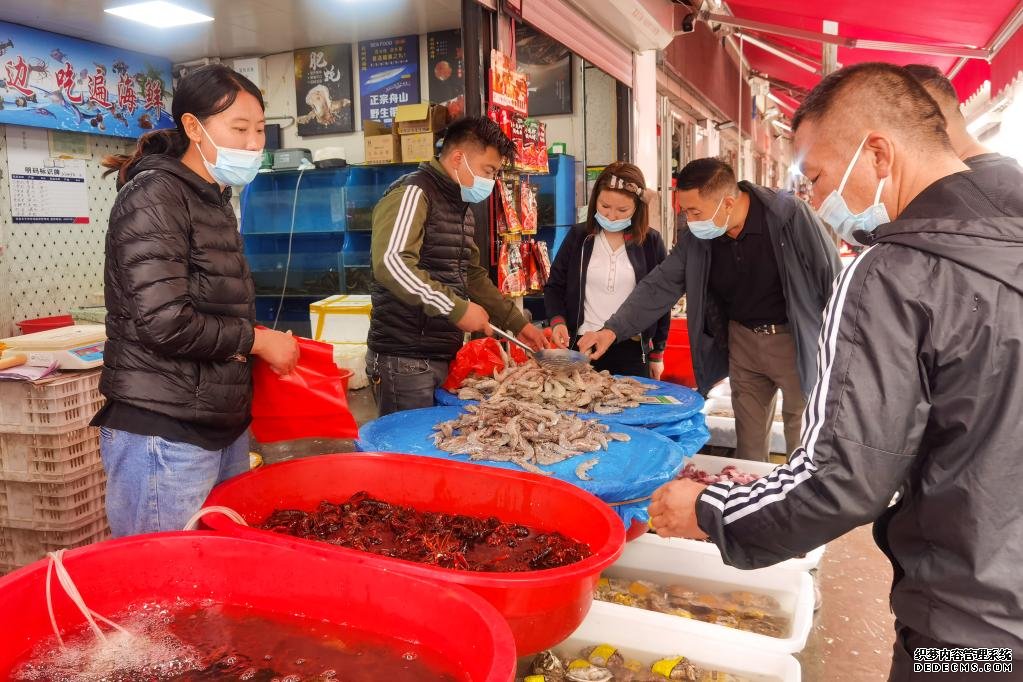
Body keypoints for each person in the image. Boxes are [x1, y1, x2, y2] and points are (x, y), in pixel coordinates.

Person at [647, 62, 1023, 681]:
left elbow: (842, 477)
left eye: (817, 176)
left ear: (878, 153)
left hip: (967, 632)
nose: (815, 200)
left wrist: (709, 508)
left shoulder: (892, 273)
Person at [95, 65, 300, 537]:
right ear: (193, 127)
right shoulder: (155, 197)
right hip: (164, 432)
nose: (254, 144)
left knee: (213, 577)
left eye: (260, 130)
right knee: (161, 584)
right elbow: (164, 321)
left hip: (216, 424)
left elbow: (213, 308)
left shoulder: (212, 198)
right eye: (240, 129)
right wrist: (257, 341)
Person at [578, 158, 840, 462]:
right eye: (684, 211)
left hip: (794, 339)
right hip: (742, 341)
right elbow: (661, 284)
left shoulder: (788, 216)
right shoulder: (699, 237)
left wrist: (840, 348)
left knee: (802, 431)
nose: (689, 220)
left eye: (695, 212)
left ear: (727, 203)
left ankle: (800, 504)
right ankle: (751, 498)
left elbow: (833, 278)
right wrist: (613, 329)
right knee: (749, 442)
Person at [367, 116, 546, 416]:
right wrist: (457, 309)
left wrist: (518, 324)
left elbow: (472, 275)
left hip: (438, 354)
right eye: (488, 171)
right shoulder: (414, 192)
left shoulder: (460, 205)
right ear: (458, 157)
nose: (491, 181)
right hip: (404, 359)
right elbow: (391, 262)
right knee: (410, 457)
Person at [543, 162, 669, 379]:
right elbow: (554, 286)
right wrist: (557, 321)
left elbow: (660, 299)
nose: (611, 216)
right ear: (595, 202)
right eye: (604, 206)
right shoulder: (579, 237)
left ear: (637, 208)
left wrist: (657, 352)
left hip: (632, 350)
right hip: (583, 348)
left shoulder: (651, 242)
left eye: (622, 210)